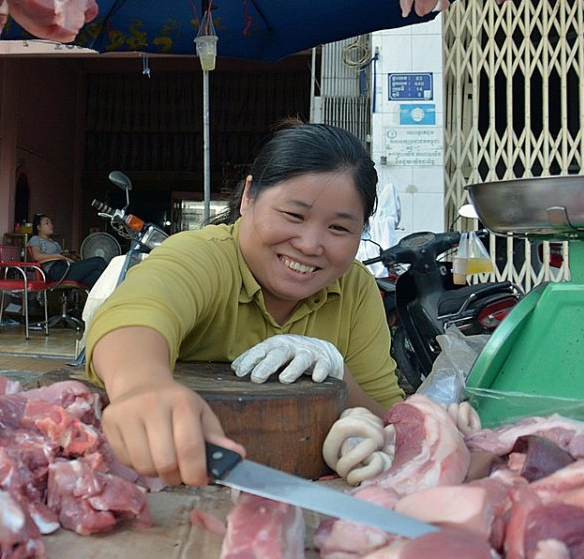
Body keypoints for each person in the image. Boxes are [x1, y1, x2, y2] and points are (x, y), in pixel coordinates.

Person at [85, 122, 403, 488]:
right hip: (163, 479)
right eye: (294, 216)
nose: (311, 244)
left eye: (339, 229)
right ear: (249, 196)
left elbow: (389, 419)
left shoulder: (356, 289)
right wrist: (142, 385)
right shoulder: (205, 256)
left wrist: (339, 373)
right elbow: (134, 315)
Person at [27, 213, 108, 287]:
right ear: (38, 227)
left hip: (65, 267)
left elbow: (60, 256)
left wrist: (65, 255)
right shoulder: (36, 239)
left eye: (51, 223)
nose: (51, 225)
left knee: (97, 276)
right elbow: (37, 256)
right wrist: (58, 256)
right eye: (47, 223)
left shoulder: (53, 242)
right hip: (56, 271)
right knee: (99, 261)